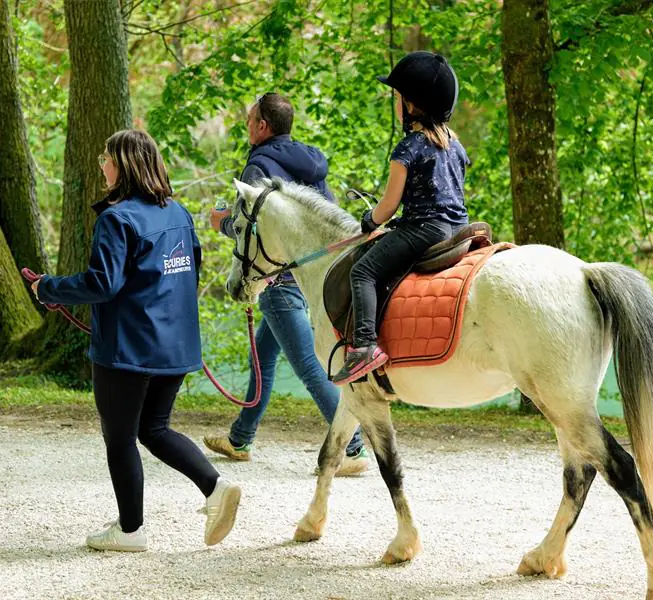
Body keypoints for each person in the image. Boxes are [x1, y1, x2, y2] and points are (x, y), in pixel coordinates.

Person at [31, 129, 240, 552]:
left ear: (122, 164)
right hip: (176, 346)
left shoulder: (116, 218)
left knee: (122, 436)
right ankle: (216, 488)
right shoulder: (179, 212)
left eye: (105, 158)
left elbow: (102, 283)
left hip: (127, 349)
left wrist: (47, 289)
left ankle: (130, 531)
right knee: (155, 428)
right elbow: (189, 268)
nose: (101, 165)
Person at [204, 92, 368, 475]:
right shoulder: (309, 162)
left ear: (262, 126)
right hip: (312, 273)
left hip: (277, 278)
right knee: (262, 354)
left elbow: (253, 227)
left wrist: (221, 222)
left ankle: (353, 448)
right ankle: (240, 438)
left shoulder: (258, 167)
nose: (246, 126)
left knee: (309, 365)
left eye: (248, 120)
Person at [331, 52, 470, 385]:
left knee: (363, 270)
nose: (396, 103)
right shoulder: (456, 144)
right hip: (459, 229)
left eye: (398, 97)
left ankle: (364, 347)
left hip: (425, 231)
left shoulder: (408, 148)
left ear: (411, 105)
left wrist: (368, 220)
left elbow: (388, 207)